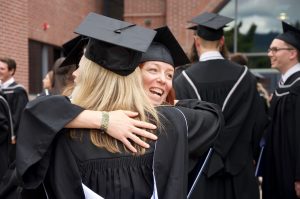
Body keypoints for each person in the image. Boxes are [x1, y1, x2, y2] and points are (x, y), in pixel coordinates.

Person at [6, 13, 222, 199]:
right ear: (134, 78)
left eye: (80, 67)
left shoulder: (61, 135)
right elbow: (213, 114)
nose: (74, 73)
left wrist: (101, 119)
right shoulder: (169, 124)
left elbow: (37, 115)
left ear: (91, 77)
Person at [174, 12, 268, 199]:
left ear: (196, 41)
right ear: (223, 41)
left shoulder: (182, 80)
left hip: (199, 174)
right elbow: (259, 122)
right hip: (239, 172)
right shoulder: (246, 77)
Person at [262, 21, 300, 199]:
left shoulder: (297, 88)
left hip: (292, 173)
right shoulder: (284, 86)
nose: (270, 54)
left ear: (292, 53)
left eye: (275, 50)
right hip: (278, 169)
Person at [0, 57, 28, 144]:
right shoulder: (1, 89)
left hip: (10, 138)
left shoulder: (18, 91)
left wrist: (12, 135)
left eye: (2, 69)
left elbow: (18, 117)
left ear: (11, 71)